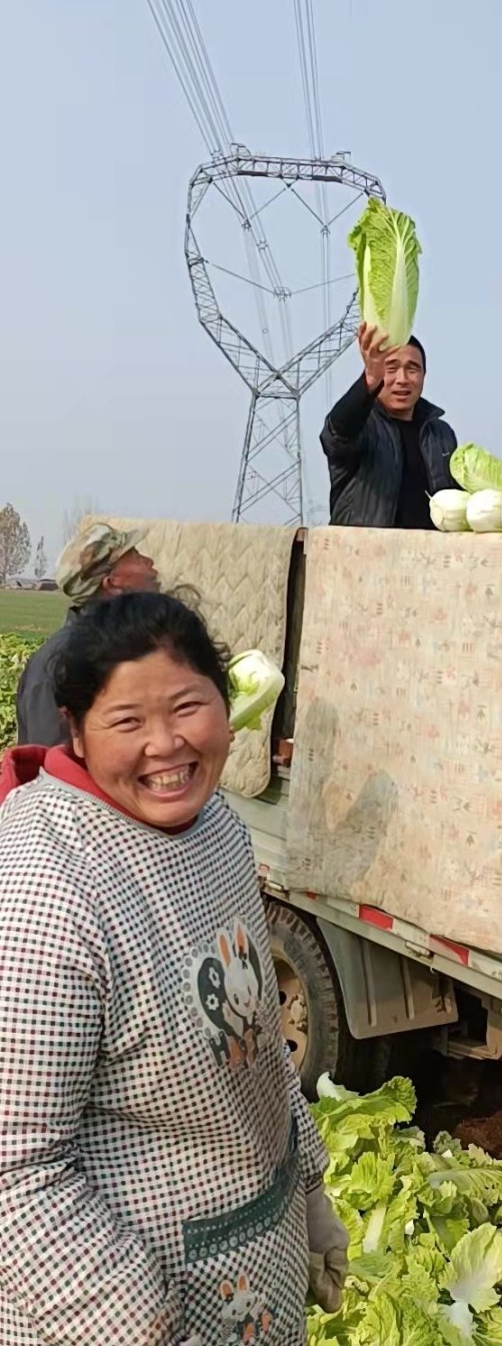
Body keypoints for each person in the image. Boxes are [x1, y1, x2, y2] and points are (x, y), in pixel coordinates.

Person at [0, 590, 348, 1345]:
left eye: (188, 707)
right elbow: (17, 1180)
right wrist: (139, 1331)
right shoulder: (42, 891)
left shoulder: (214, 825)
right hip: (125, 1313)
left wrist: (309, 1191)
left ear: (227, 710)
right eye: (127, 722)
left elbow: (250, 1023)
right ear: (76, 732)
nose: (165, 746)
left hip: (255, 1258)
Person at [16, 521, 160, 748]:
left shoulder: (127, 646)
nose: (149, 562)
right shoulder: (60, 663)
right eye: (136, 556)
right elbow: (51, 762)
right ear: (112, 583)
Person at [320, 323, 458, 528]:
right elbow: (336, 436)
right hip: (364, 554)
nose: (402, 379)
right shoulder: (361, 424)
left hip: (427, 555)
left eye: (413, 369)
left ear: (424, 376)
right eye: (391, 368)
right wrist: (368, 381)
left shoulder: (441, 434)